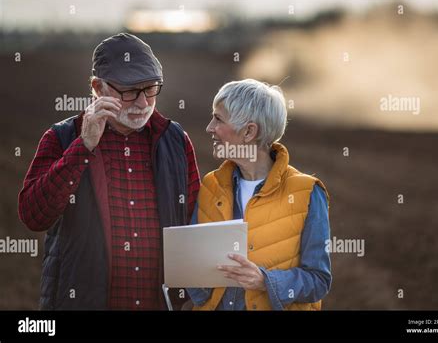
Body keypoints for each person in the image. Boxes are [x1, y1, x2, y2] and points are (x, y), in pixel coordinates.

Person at [18, 33, 200, 310]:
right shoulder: (62, 138)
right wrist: (84, 146)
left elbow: (194, 223)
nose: (142, 103)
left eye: (150, 89)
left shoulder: (174, 140)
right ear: (97, 87)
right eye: (129, 91)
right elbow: (33, 215)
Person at [187, 79, 331, 310]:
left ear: (249, 131)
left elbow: (319, 281)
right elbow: (192, 266)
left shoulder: (307, 193)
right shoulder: (210, 185)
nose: (209, 128)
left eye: (218, 119)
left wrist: (266, 281)